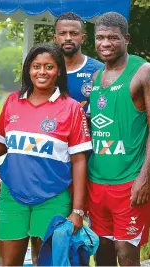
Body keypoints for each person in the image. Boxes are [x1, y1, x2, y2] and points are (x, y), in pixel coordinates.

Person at [0, 42, 92, 266]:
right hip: (12, 196)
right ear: (28, 69)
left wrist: (78, 210)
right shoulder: (12, 102)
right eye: (36, 66)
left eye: (49, 66)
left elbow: (79, 161)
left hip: (53, 198)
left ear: (58, 71)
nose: (42, 72)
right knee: (7, 263)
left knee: (45, 262)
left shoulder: (72, 108)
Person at [88, 12, 150, 266]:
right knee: (101, 251)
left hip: (130, 181)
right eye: (100, 37)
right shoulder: (95, 77)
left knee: (126, 254)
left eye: (112, 38)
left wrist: (145, 178)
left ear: (126, 38)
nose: (105, 43)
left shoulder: (143, 72)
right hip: (96, 182)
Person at [53, 12, 104, 111]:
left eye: (74, 33)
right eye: (62, 33)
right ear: (55, 38)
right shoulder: (45, 71)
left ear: (83, 38)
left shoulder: (99, 70)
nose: (68, 38)